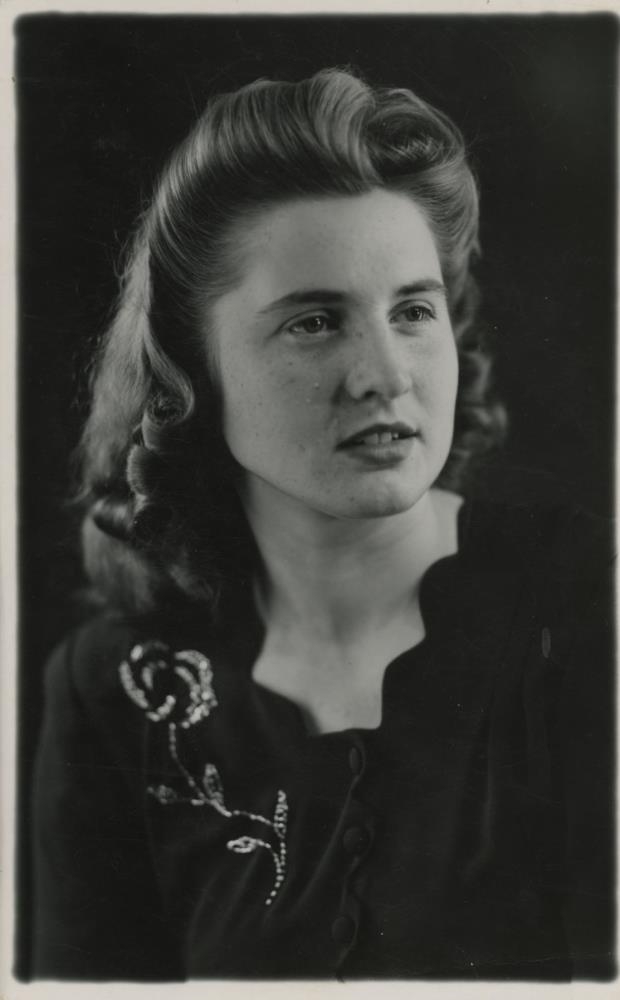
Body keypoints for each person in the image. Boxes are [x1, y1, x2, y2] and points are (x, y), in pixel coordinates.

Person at [31, 67, 614, 981]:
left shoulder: (583, 609)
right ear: (191, 372)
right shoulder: (118, 691)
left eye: (413, 311)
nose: (386, 374)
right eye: (313, 322)